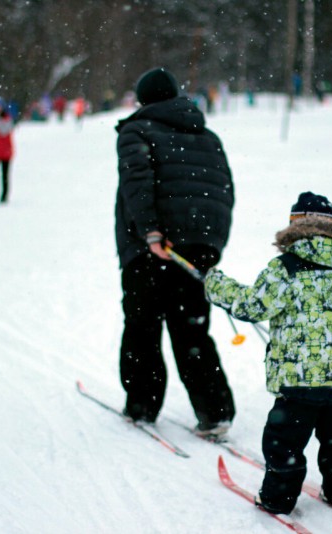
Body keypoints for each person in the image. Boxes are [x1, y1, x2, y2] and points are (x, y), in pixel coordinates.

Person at [204, 192, 332, 515]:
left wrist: (217, 286)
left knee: (284, 439)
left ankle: (278, 498)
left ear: (296, 225)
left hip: (300, 380)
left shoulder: (287, 267)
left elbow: (253, 305)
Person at [114, 67, 236, 437]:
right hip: (196, 250)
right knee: (191, 329)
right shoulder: (208, 136)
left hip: (151, 248)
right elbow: (223, 192)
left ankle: (141, 406)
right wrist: (210, 244)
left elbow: (138, 183)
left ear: (143, 99)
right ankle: (215, 411)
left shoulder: (136, 131)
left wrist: (151, 231)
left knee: (142, 327)